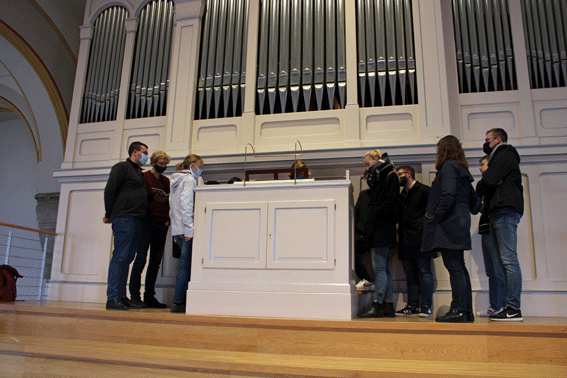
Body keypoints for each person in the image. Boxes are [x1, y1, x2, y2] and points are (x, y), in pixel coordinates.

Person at [421, 135, 478, 323]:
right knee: (458, 266)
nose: (437, 153)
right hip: (459, 221)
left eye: (438, 150)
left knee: (454, 267)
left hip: (449, 223)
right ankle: (465, 311)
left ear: (443, 150)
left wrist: (434, 216)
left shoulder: (448, 167)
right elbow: (473, 203)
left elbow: (447, 195)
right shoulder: (461, 169)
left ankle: (459, 309)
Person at [476, 128, 524, 322]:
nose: (485, 143)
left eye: (487, 139)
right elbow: (484, 185)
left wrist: (489, 180)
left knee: (508, 260)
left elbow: (485, 181)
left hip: (504, 209)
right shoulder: (499, 157)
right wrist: (489, 182)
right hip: (498, 210)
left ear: (497, 140)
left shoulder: (505, 153)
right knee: (502, 262)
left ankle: (514, 308)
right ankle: (505, 306)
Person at [103, 141, 149, 310]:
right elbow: (110, 190)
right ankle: (113, 297)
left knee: (128, 258)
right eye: (144, 152)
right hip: (124, 217)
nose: (146, 156)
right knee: (121, 256)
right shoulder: (121, 167)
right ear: (135, 152)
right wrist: (109, 214)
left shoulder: (139, 172)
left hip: (137, 219)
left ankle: (122, 296)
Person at [359, 150, 400, 318]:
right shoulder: (386, 175)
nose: (367, 168)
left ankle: (378, 304)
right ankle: (387, 305)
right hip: (383, 226)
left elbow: (391, 201)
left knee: (379, 268)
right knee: (384, 269)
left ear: (377, 160)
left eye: (368, 164)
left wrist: (374, 214)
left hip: (381, 227)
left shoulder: (389, 175)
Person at [128, 151, 172, 309]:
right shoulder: (145, 177)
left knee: (155, 262)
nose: (163, 166)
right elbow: (139, 198)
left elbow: (168, 202)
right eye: (160, 163)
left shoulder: (166, 180)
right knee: (140, 259)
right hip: (146, 223)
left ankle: (149, 297)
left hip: (161, 224)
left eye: (165, 164)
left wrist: (167, 219)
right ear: (153, 162)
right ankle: (134, 296)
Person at [395, 165, 434, 318]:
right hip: (405, 238)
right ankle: (412, 305)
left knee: (424, 271)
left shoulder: (424, 190)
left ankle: (426, 306)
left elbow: (431, 213)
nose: (398, 177)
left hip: (421, 237)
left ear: (408, 174)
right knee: (410, 273)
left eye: (400, 174)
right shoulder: (401, 195)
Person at [170, 154, 204, 313]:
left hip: (177, 229)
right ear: (192, 165)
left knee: (182, 266)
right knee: (185, 266)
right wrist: (189, 229)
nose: (200, 170)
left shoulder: (175, 181)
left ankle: (178, 300)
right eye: (200, 166)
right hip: (185, 229)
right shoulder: (189, 180)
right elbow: (186, 206)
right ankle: (178, 302)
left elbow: (172, 207)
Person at [476, 155, 507, 317]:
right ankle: (495, 305)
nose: (480, 168)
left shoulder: (499, 182)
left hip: (494, 228)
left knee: (497, 269)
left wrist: (483, 206)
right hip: (485, 228)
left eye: (482, 164)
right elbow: (477, 205)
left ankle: (501, 305)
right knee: (491, 271)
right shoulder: (482, 185)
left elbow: (488, 206)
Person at [354, 173, 375, 291]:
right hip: (362, 234)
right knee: (349, 251)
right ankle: (367, 280)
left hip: (375, 235)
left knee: (381, 268)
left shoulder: (381, 194)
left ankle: (367, 280)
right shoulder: (363, 195)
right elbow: (356, 214)